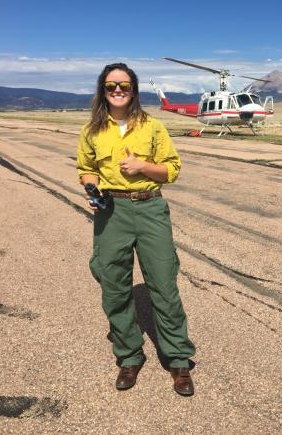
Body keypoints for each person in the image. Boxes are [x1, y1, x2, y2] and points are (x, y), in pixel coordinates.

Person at [76, 63, 196, 396]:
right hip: (110, 211)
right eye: (111, 85)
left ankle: (178, 360)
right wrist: (92, 188)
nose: (118, 90)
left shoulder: (153, 127)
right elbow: (85, 169)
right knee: (113, 284)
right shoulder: (92, 131)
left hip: (149, 207)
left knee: (163, 284)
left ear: (134, 89)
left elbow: (172, 170)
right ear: (102, 88)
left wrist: (142, 165)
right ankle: (129, 355)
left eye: (124, 85)